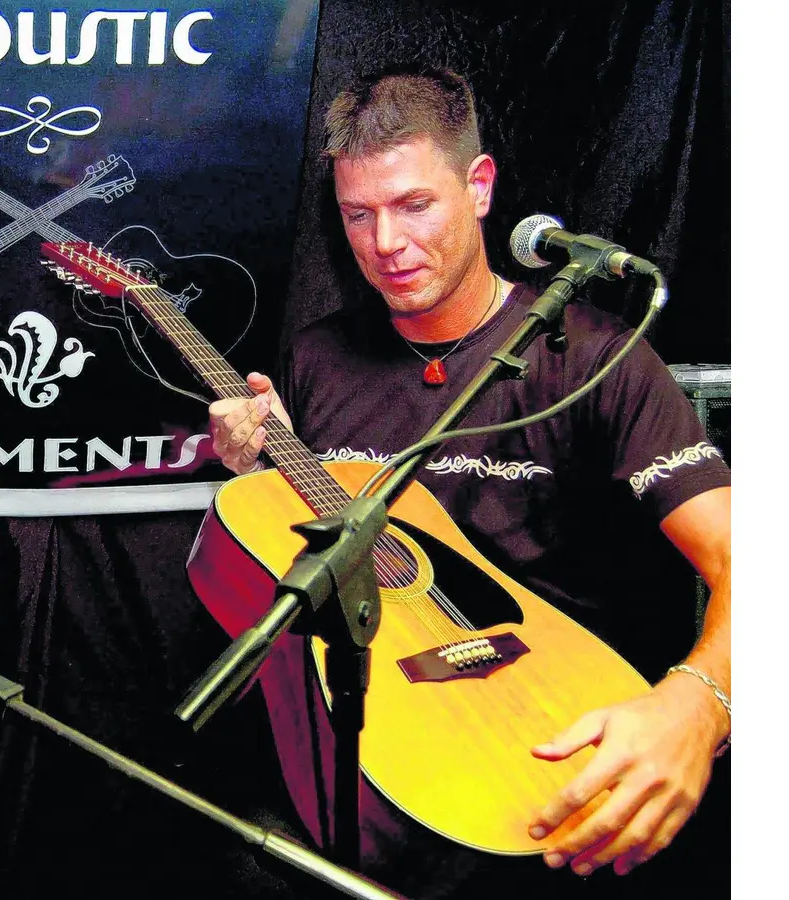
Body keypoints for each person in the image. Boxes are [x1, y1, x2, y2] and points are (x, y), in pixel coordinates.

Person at [207, 66, 731, 895]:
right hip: (391, 742)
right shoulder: (316, 356)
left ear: (479, 187)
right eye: (358, 215)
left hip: (562, 734)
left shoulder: (599, 359)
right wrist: (256, 463)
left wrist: (697, 706)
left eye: (415, 205)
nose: (386, 244)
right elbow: (317, 543)